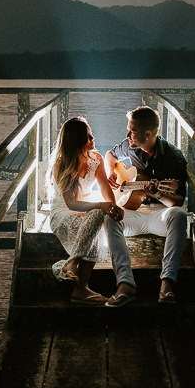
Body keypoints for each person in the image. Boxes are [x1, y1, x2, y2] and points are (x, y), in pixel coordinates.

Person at [103, 106, 189, 307]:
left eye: (132, 131)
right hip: (135, 212)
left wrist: (158, 193)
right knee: (109, 216)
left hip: (160, 214)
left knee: (179, 215)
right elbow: (109, 156)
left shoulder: (174, 156)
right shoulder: (130, 146)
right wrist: (112, 174)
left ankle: (166, 284)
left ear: (148, 133)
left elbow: (177, 201)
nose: (127, 135)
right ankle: (125, 283)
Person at [48, 117, 124, 304]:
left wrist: (113, 207)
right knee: (98, 215)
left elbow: (105, 189)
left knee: (99, 216)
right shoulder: (61, 163)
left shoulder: (95, 159)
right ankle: (81, 286)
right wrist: (101, 206)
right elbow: (71, 204)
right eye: (89, 136)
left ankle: (74, 269)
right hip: (63, 211)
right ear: (77, 140)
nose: (93, 138)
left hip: (86, 208)